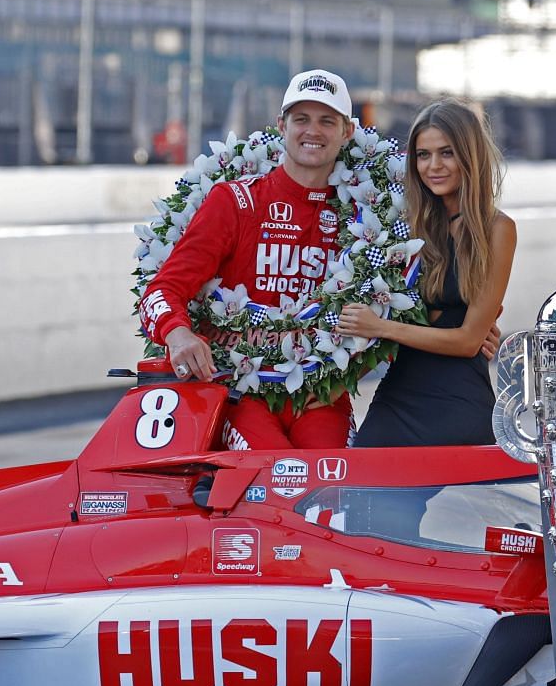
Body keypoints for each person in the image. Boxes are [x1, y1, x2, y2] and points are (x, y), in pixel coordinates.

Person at [138, 69, 357, 450]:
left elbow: (388, 314)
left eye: (327, 121)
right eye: (301, 119)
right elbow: (163, 289)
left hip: (321, 395)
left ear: (347, 132)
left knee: (336, 496)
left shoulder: (361, 220)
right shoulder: (235, 202)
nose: (313, 131)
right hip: (239, 391)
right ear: (281, 126)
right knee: (274, 482)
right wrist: (178, 334)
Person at [338, 99, 516, 448]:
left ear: (470, 156)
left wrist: (381, 327)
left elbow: (468, 342)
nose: (433, 166)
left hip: (459, 404)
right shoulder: (404, 226)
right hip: (398, 397)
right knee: (361, 495)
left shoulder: (497, 229)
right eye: (423, 155)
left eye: (446, 153)